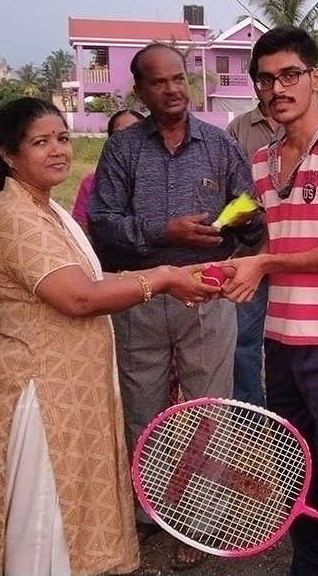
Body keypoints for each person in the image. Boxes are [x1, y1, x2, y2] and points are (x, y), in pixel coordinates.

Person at [0, 97, 219, 575]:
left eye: (61, 137)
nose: (57, 150)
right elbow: (78, 297)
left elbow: (93, 282)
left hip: (66, 387)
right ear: (10, 155)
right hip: (37, 393)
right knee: (45, 521)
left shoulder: (44, 209)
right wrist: (160, 277)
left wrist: (169, 273)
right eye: (41, 142)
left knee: (68, 510)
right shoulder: (16, 219)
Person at [87, 43, 261, 569]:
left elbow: (248, 202)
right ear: (140, 91)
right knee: (143, 407)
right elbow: (103, 222)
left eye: (179, 78)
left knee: (208, 407)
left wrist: (230, 221)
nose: (173, 89)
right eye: (158, 82)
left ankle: (201, 520)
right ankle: (151, 510)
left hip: (207, 289)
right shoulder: (123, 150)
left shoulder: (218, 144)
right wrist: (165, 230)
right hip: (141, 292)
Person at [222, 25, 318, 576]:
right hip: (280, 338)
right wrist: (217, 258)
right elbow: (258, 228)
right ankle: (310, 568)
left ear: (315, 78)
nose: (277, 88)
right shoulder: (262, 160)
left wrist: (264, 264)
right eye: (266, 80)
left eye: (290, 75)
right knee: (299, 475)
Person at [225, 92, 283, 406]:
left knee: (286, 341)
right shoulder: (238, 129)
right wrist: (260, 218)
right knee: (244, 340)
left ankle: (284, 411)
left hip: (293, 255)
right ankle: (249, 413)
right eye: (266, 79)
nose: (275, 88)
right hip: (249, 255)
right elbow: (229, 197)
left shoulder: (306, 127)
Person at [70, 108, 144, 231]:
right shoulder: (92, 182)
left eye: (135, 136)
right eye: (120, 136)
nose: (128, 143)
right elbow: (81, 232)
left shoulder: (165, 181)